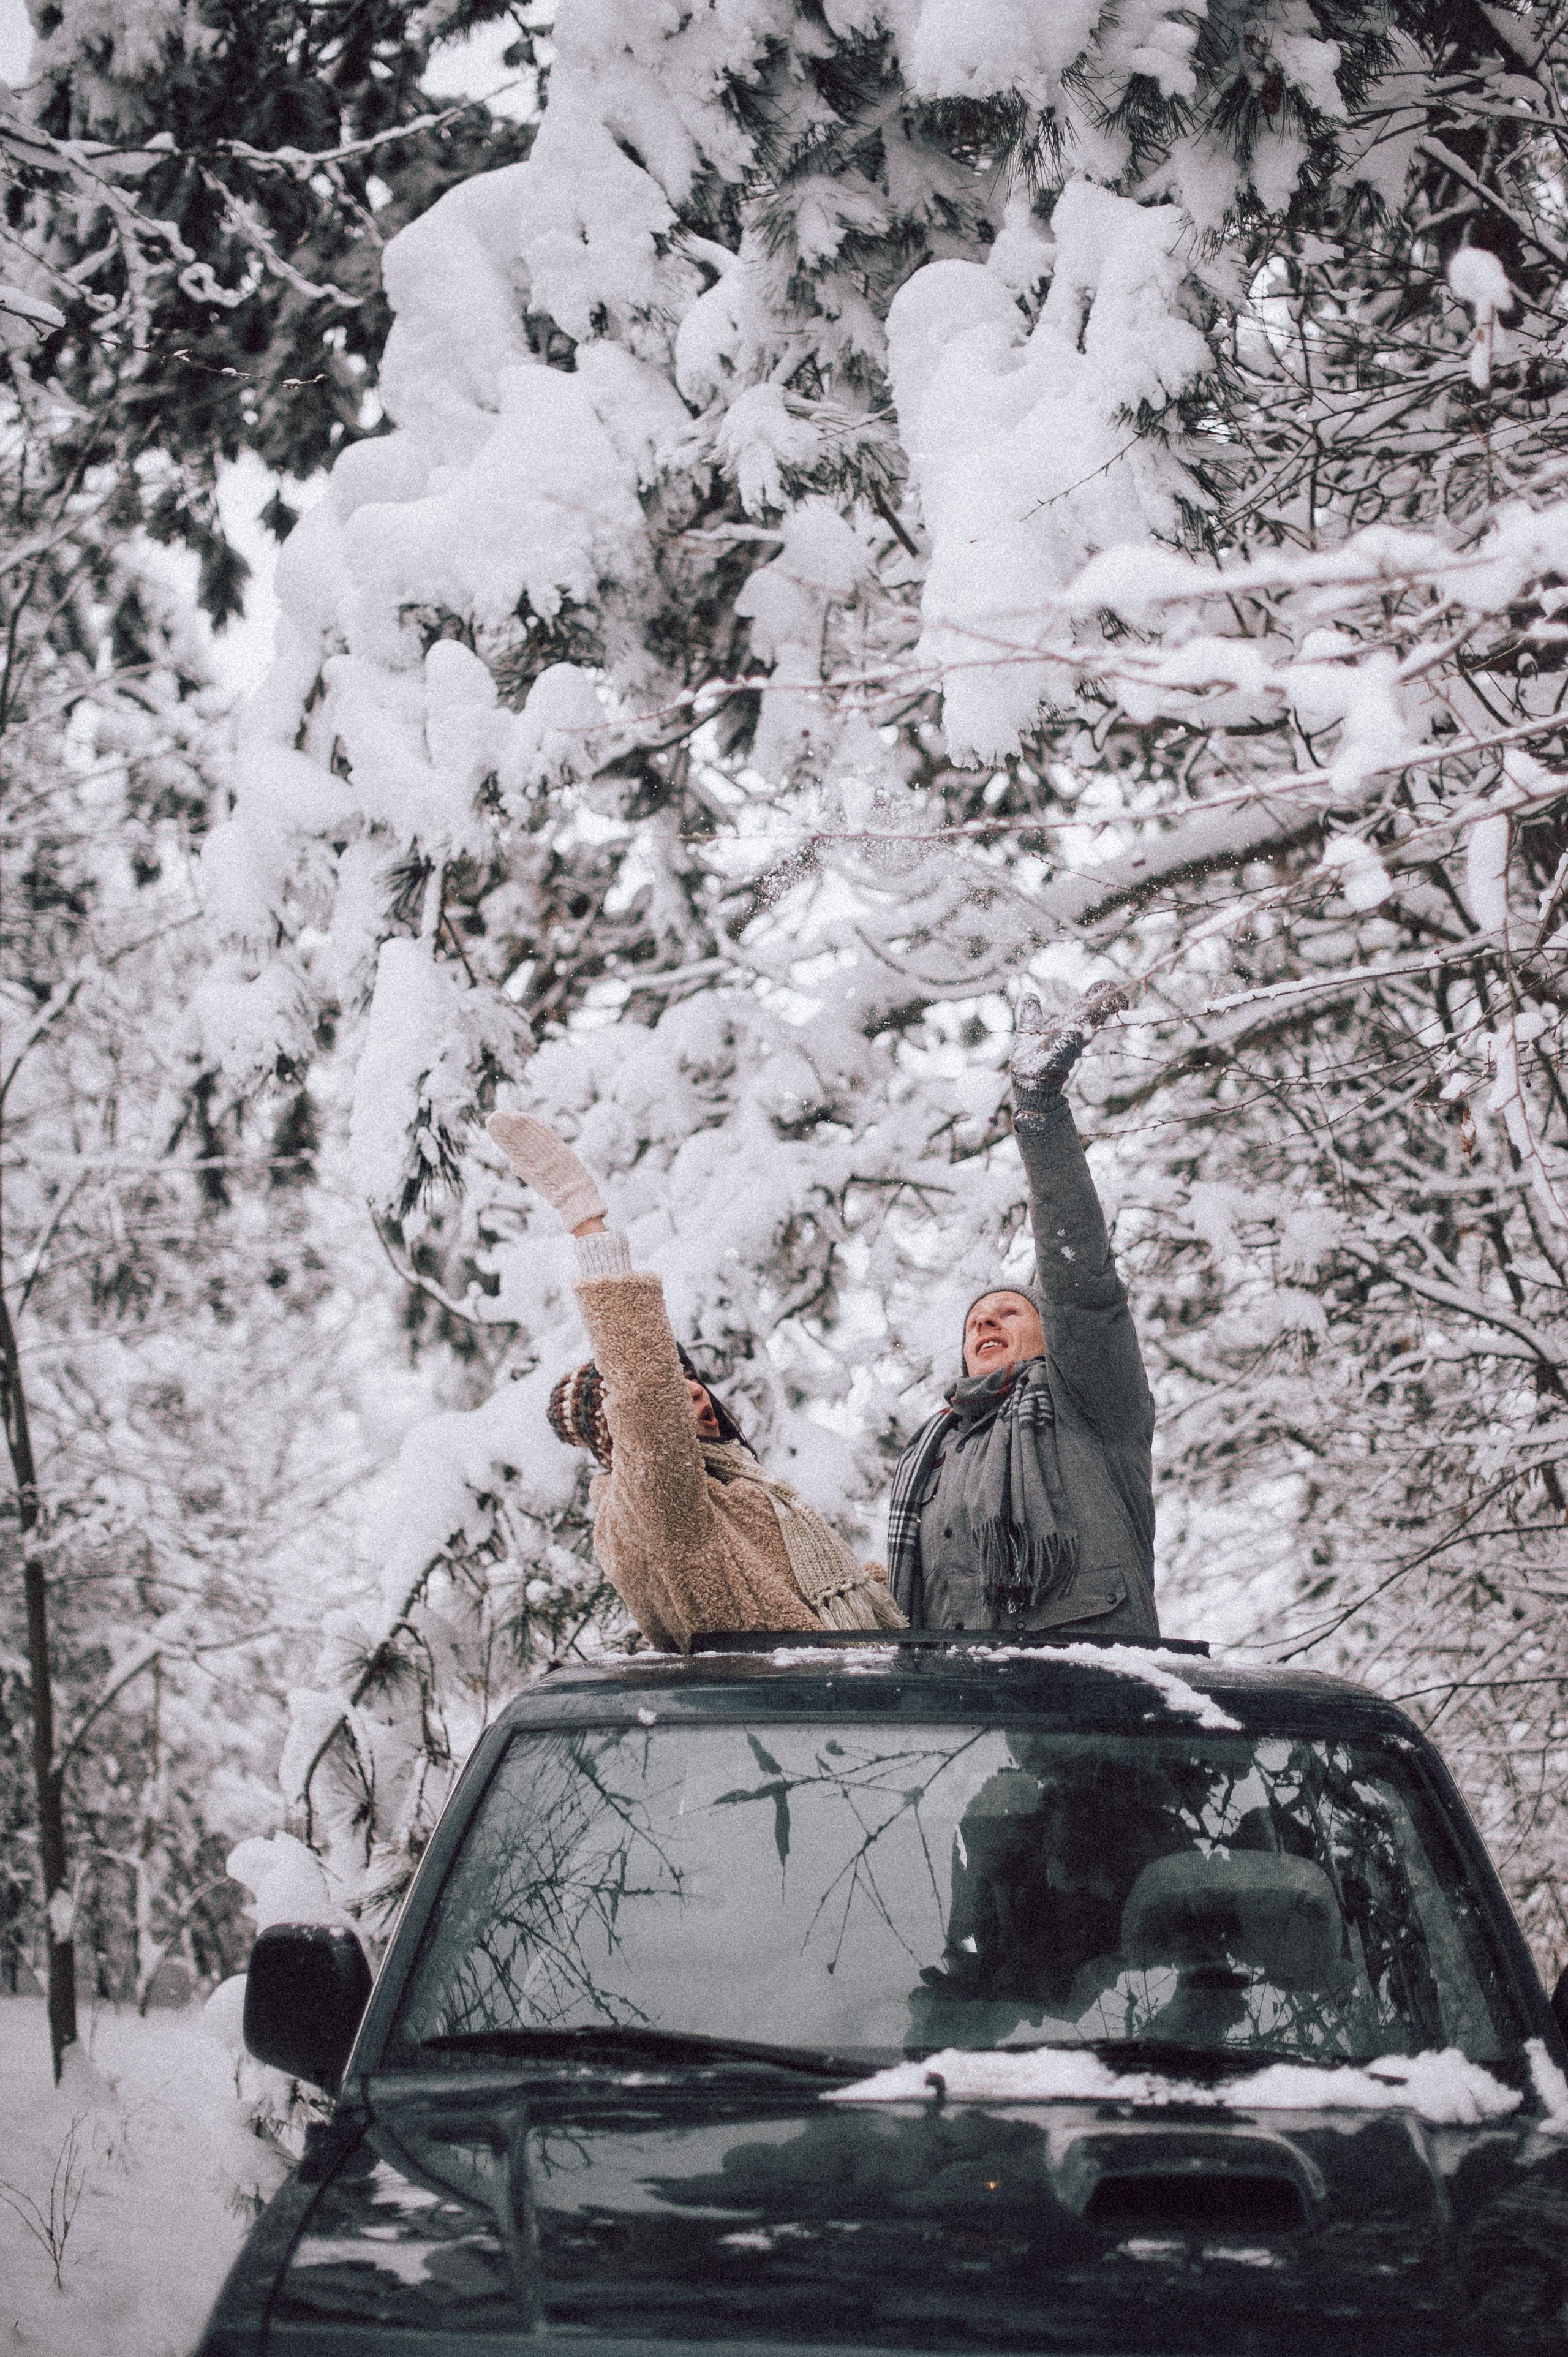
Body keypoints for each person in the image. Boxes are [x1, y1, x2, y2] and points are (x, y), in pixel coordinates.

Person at [488, 1111, 905, 1651]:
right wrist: (587, 1223)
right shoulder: (661, 1508)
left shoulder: (736, 1489)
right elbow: (644, 1393)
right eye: (669, 1386)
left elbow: (808, 1608)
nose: (692, 1391)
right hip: (798, 1713)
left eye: (690, 1377)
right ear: (624, 1430)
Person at [886, 982, 1158, 1640]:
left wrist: (1039, 1115)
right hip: (965, 1716)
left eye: (1008, 1311)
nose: (984, 1323)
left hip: (1086, 1701)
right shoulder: (934, 1453)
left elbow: (1079, 1281)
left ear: (1051, 1335)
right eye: (976, 1320)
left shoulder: (1090, 1400)